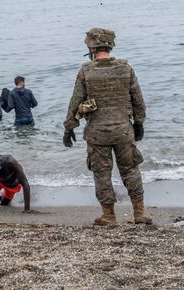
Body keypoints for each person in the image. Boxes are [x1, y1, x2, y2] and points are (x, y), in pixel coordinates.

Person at [63, 28, 152, 225]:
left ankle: (109, 216)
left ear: (91, 47)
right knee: (130, 170)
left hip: (97, 133)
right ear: (110, 45)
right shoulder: (125, 69)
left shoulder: (86, 71)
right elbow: (138, 99)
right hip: (123, 130)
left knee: (102, 174)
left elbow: (75, 101)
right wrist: (139, 123)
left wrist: (69, 127)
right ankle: (140, 213)